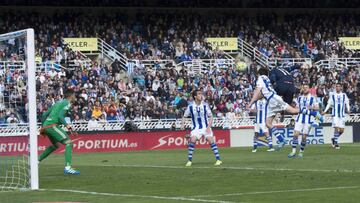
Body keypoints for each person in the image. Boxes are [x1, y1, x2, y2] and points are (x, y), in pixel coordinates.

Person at [247, 67, 323, 150]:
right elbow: (262, 94)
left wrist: (250, 103)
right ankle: (281, 140)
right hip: (272, 100)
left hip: (274, 99)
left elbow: (258, 91)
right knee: (268, 123)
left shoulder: (260, 79)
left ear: (259, 74)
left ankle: (314, 113)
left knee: (293, 111)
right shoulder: (266, 79)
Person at [38, 89, 80, 175]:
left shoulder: (57, 103)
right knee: (69, 143)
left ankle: (36, 161)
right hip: (52, 125)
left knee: (55, 145)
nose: (75, 97)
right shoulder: (67, 103)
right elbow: (61, 116)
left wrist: (43, 127)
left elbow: (44, 114)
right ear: (71, 96)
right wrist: (68, 127)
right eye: (74, 95)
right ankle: (68, 167)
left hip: (46, 126)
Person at [181, 90, 222, 167]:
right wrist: (182, 125)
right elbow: (184, 116)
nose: (201, 95)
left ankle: (218, 159)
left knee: (210, 140)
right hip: (196, 128)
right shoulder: (190, 106)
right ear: (195, 97)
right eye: (199, 94)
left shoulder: (205, 105)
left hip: (206, 127)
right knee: (192, 140)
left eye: (201, 94)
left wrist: (209, 127)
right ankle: (189, 160)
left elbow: (211, 116)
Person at [288, 83, 319, 158]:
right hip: (299, 118)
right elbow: (297, 108)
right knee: (295, 134)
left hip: (308, 120)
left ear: (309, 89)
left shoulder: (313, 98)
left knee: (304, 137)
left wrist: (311, 107)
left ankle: (301, 152)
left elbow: (317, 108)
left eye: (306, 88)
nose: (305, 89)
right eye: (304, 88)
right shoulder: (299, 98)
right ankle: (293, 152)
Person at [322, 83, 350, 149]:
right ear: (335, 88)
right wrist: (325, 111)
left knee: (342, 130)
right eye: (336, 86)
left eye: (339, 86)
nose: (337, 88)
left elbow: (347, 103)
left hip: (342, 115)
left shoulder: (344, 95)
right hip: (335, 115)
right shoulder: (333, 95)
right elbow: (329, 104)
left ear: (341, 88)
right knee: (336, 128)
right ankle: (336, 143)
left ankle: (334, 139)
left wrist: (348, 110)